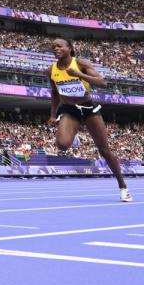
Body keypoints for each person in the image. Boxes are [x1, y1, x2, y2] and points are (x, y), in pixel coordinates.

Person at [47, 38, 132, 202]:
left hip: (88, 108)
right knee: (62, 144)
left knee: (104, 151)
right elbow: (55, 93)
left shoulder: (80, 64)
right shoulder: (51, 70)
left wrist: (79, 75)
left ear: (69, 48)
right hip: (69, 109)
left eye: (59, 46)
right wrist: (52, 114)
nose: (56, 48)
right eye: (53, 47)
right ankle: (74, 131)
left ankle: (123, 186)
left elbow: (102, 82)